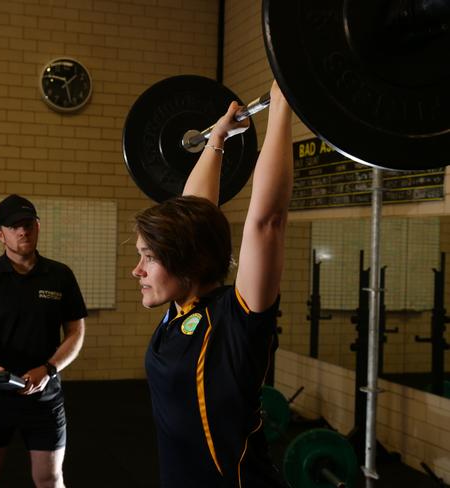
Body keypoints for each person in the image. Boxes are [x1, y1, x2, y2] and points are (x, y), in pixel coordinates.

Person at [132, 81, 293, 488]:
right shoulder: (180, 308)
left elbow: (267, 221)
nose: (137, 270)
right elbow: (196, 214)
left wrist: (283, 107)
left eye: (149, 258)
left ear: (186, 263)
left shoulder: (235, 322)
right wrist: (217, 139)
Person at [0, 194, 87, 488]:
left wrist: (49, 369)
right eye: (14, 227)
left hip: (44, 396)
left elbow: (76, 335)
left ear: (38, 226)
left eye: (28, 224)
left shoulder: (60, 276)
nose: (22, 231)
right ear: (0, 235)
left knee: (50, 479)